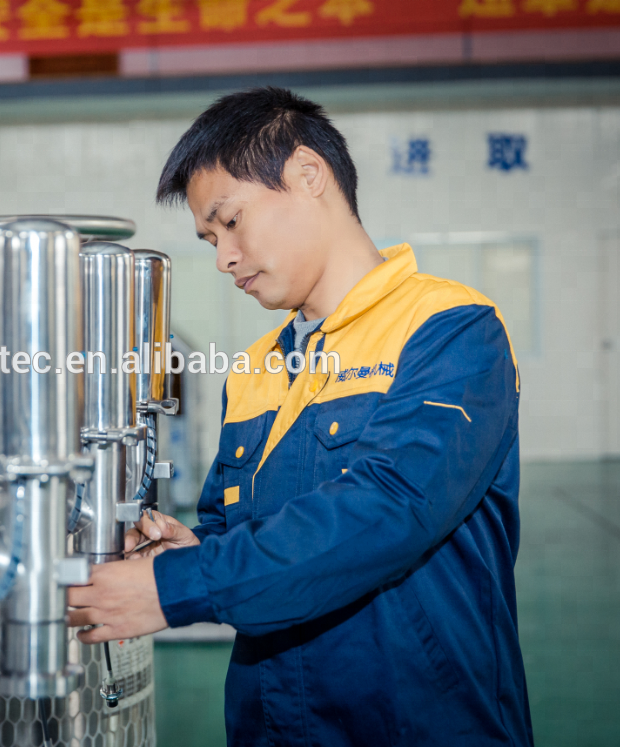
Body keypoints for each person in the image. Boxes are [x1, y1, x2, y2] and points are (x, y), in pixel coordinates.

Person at [66, 86, 533, 746]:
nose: (223, 256)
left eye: (230, 221)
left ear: (307, 175)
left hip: (420, 721)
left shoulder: (449, 330)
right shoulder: (256, 366)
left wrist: (176, 585)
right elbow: (239, 525)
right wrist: (195, 548)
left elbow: (390, 508)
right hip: (275, 722)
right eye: (208, 237)